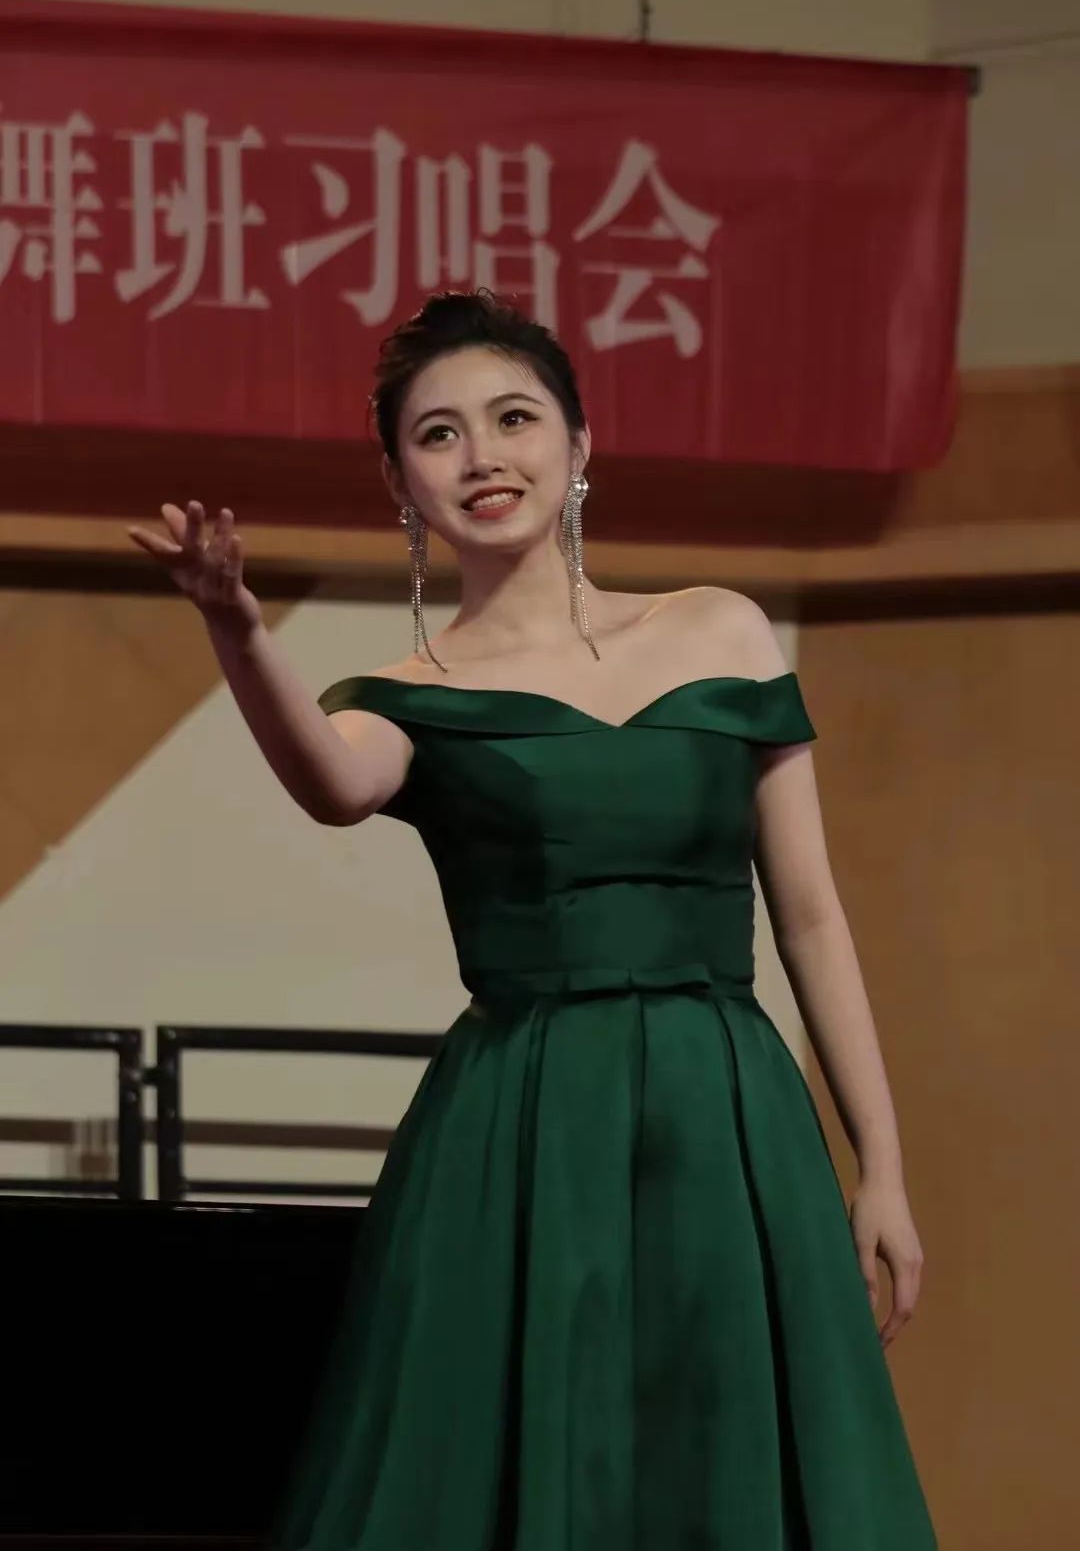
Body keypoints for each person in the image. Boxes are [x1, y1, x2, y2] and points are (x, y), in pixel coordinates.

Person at [127, 289, 937, 1550]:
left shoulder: (721, 629)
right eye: (437, 434)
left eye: (514, 419)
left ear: (579, 442)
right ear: (400, 481)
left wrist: (879, 1163)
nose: (482, 456)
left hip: (727, 1113)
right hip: (524, 1118)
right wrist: (234, 625)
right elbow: (332, 783)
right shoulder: (413, 689)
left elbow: (812, 919)